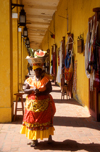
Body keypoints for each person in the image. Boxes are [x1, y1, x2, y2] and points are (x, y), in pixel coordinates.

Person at [20, 62, 56, 147]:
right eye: (36, 70)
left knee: (46, 119)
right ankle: (34, 139)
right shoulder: (30, 80)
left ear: (42, 70)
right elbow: (25, 90)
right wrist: (33, 90)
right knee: (32, 121)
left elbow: (50, 89)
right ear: (34, 70)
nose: (38, 72)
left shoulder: (46, 79)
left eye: (40, 70)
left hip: (44, 103)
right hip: (32, 105)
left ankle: (49, 136)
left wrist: (41, 93)